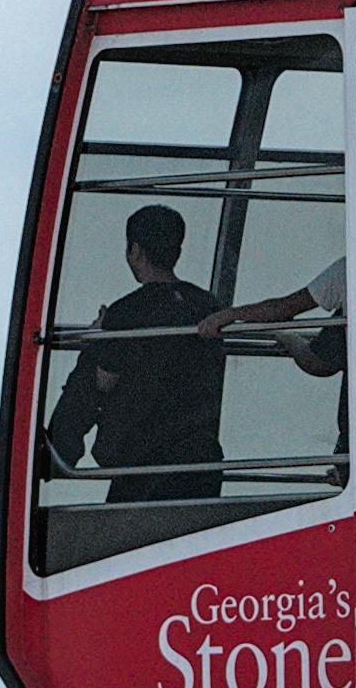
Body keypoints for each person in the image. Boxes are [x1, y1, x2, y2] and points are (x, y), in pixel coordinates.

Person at [37, 204, 239, 508]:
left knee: (92, 359)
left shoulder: (127, 310)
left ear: (135, 250)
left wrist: (99, 339)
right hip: (200, 459)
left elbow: (104, 381)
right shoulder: (207, 305)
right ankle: (58, 451)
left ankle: (55, 454)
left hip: (143, 460)